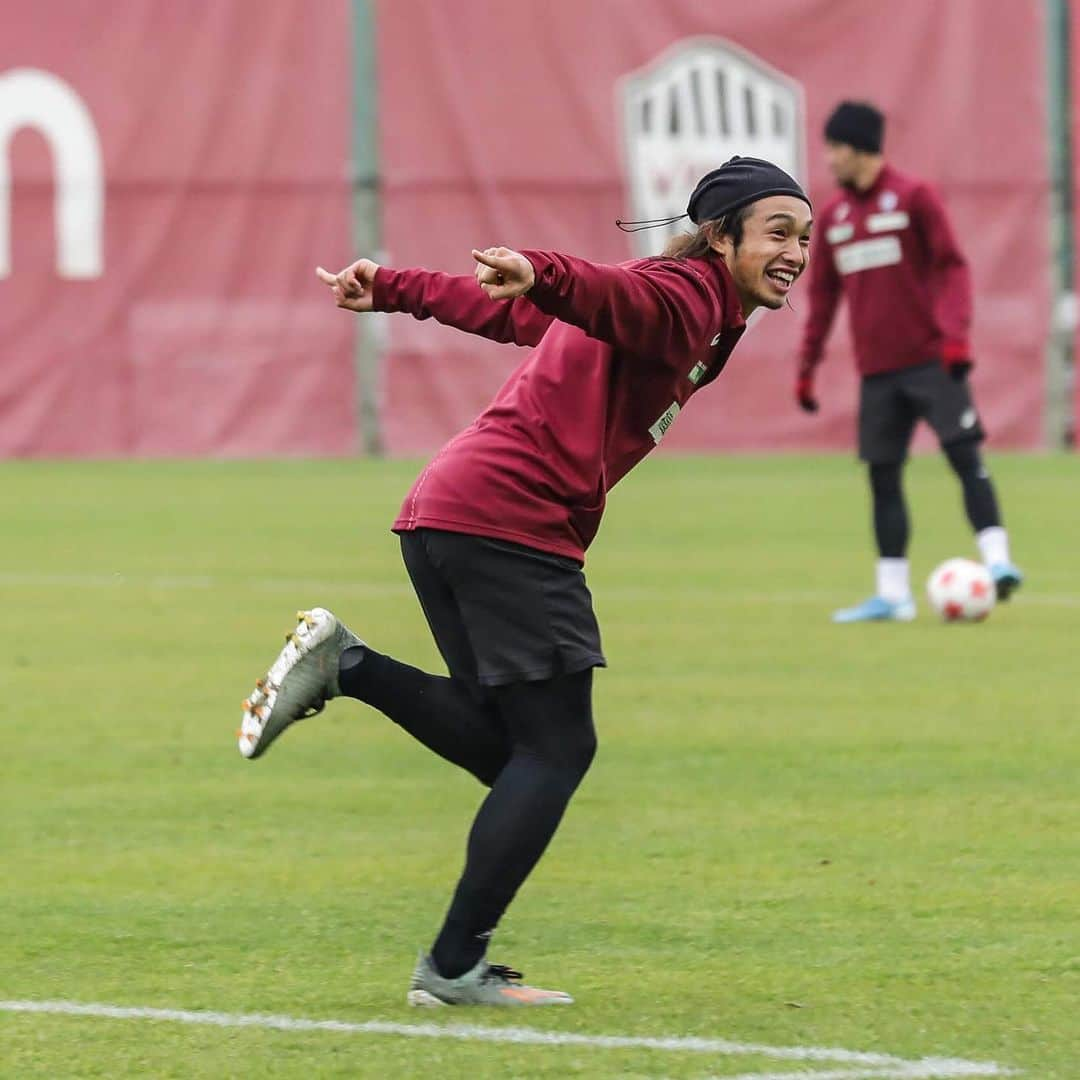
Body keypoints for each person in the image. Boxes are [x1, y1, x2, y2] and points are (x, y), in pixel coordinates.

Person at [236, 157, 813, 1006]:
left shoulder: (695, 309)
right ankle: (452, 968)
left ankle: (348, 667)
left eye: (803, 236)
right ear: (720, 237)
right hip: (511, 522)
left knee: (515, 751)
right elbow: (610, 294)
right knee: (558, 748)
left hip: (447, 516)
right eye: (776, 232)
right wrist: (546, 268)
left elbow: (519, 314)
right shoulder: (688, 295)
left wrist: (395, 287)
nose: (795, 251)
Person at [796, 101, 1023, 622]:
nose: (828, 159)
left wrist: (956, 339)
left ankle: (999, 563)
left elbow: (952, 268)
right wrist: (807, 366)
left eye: (834, 147)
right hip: (877, 372)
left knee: (965, 456)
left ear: (857, 147)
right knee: (882, 476)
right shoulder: (832, 218)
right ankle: (893, 595)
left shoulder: (914, 197)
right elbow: (824, 299)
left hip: (931, 361)